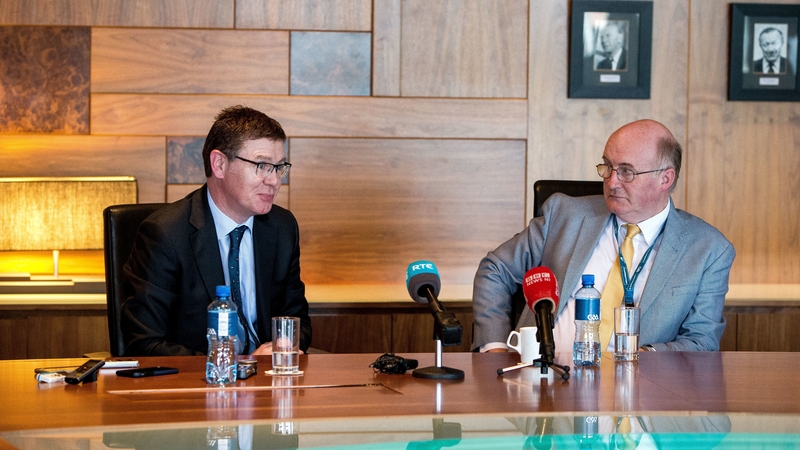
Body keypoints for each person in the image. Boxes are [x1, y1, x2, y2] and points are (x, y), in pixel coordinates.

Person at [472, 119, 735, 353]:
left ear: (665, 179)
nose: (611, 182)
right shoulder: (565, 214)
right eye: (607, 167)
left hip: (638, 391)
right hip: (542, 380)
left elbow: (701, 342)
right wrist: (494, 347)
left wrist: (644, 358)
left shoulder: (708, 249)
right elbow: (496, 269)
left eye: (626, 171)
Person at [121, 105, 311, 356]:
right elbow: (145, 344)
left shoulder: (282, 228)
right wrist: (239, 366)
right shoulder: (165, 234)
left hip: (270, 385)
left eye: (278, 167)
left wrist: (284, 346)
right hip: (198, 386)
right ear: (219, 164)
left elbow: (298, 322)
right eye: (262, 166)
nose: (275, 180)